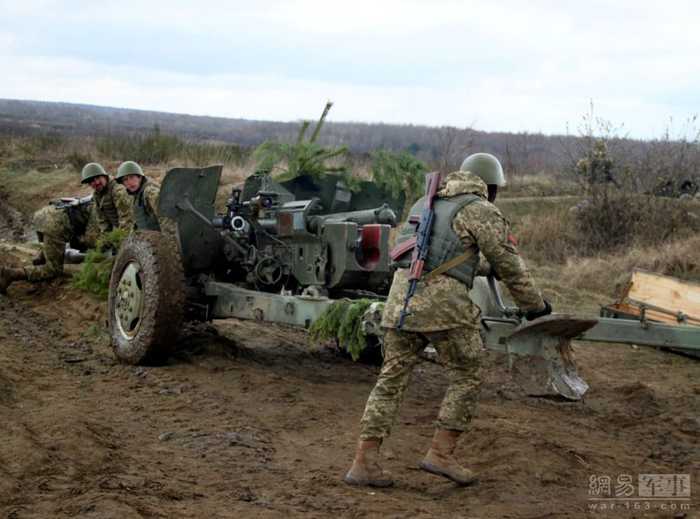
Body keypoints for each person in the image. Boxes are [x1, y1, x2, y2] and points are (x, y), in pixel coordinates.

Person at [344, 153, 551, 488]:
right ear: (490, 186)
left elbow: (428, 255)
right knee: (468, 372)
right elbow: (510, 264)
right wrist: (535, 305)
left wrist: (482, 268)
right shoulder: (480, 209)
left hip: (399, 303)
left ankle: (363, 463)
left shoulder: (423, 203)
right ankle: (440, 454)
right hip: (443, 309)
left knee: (390, 383)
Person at [0, 163, 132, 295]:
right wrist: (103, 245)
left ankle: (42, 259)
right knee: (53, 269)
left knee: (56, 250)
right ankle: (12, 274)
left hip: (44, 217)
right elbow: (93, 238)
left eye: (97, 178)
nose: (95, 183)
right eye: (91, 181)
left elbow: (107, 225)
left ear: (104, 175)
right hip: (54, 225)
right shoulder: (97, 200)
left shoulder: (104, 194)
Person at [115, 161, 162, 231]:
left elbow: (166, 218)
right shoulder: (135, 195)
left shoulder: (150, 191)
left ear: (139, 177)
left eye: (131, 177)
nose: (129, 182)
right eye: (125, 180)